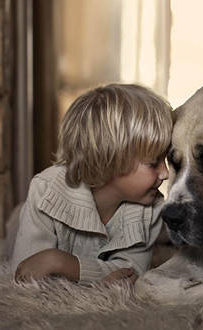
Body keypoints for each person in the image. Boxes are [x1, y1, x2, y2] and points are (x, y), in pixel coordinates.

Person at [10, 83, 173, 285]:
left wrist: (59, 262)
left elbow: (130, 274)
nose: (165, 173)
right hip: (30, 215)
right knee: (15, 224)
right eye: (153, 163)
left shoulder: (152, 208)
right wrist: (101, 277)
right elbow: (26, 272)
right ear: (111, 159)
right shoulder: (45, 189)